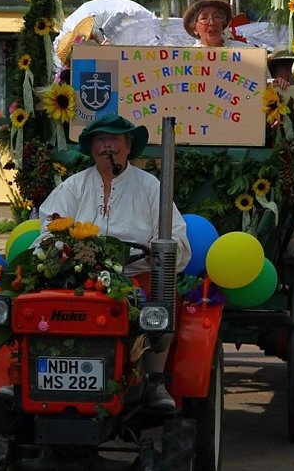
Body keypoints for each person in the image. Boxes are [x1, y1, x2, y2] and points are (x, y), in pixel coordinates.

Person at [37, 114, 192, 411]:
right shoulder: (73, 186)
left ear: (128, 145)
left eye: (114, 139)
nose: (107, 146)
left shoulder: (150, 186)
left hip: (137, 278)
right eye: (100, 139)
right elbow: (48, 229)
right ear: (91, 148)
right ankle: (32, 372)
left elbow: (175, 236)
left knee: (162, 300)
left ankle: (155, 380)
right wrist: (62, 249)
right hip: (81, 279)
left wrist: (155, 249)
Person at [182, 0, 247, 48]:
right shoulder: (189, 56)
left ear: (223, 22)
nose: (212, 23)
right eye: (204, 18)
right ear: (195, 29)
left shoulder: (243, 50)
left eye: (216, 17)